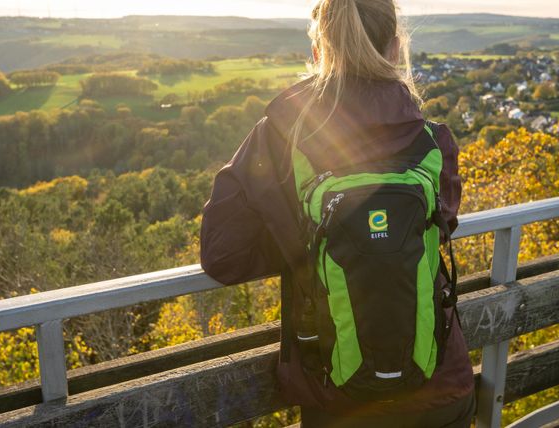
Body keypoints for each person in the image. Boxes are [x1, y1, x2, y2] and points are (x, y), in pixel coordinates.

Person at [200, 0, 474, 426]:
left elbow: (222, 255)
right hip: (440, 387)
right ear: (396, 49)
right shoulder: (434, 142)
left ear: (317, 53)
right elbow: (433, 230)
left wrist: (313, 242)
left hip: (336, 393)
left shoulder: (279, 137)